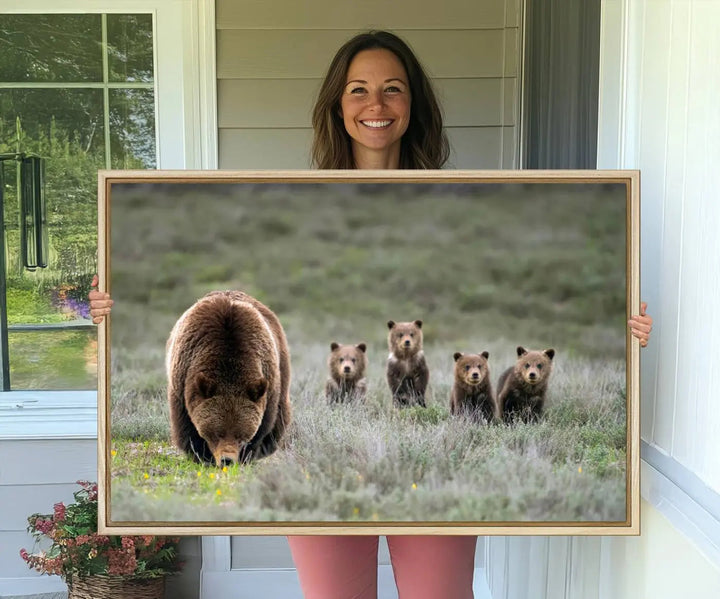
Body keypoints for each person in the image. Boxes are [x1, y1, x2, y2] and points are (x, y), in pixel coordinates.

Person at [89, 30, 653, 599]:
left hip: (433, 463)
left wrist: (625, 332)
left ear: (414, 105)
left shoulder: (465, 201)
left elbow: (514, 280)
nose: (375, 105)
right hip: (323, 454)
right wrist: (106, 311)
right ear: (338, 105)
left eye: (392, 90)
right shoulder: (295, 200)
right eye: (358, 90)